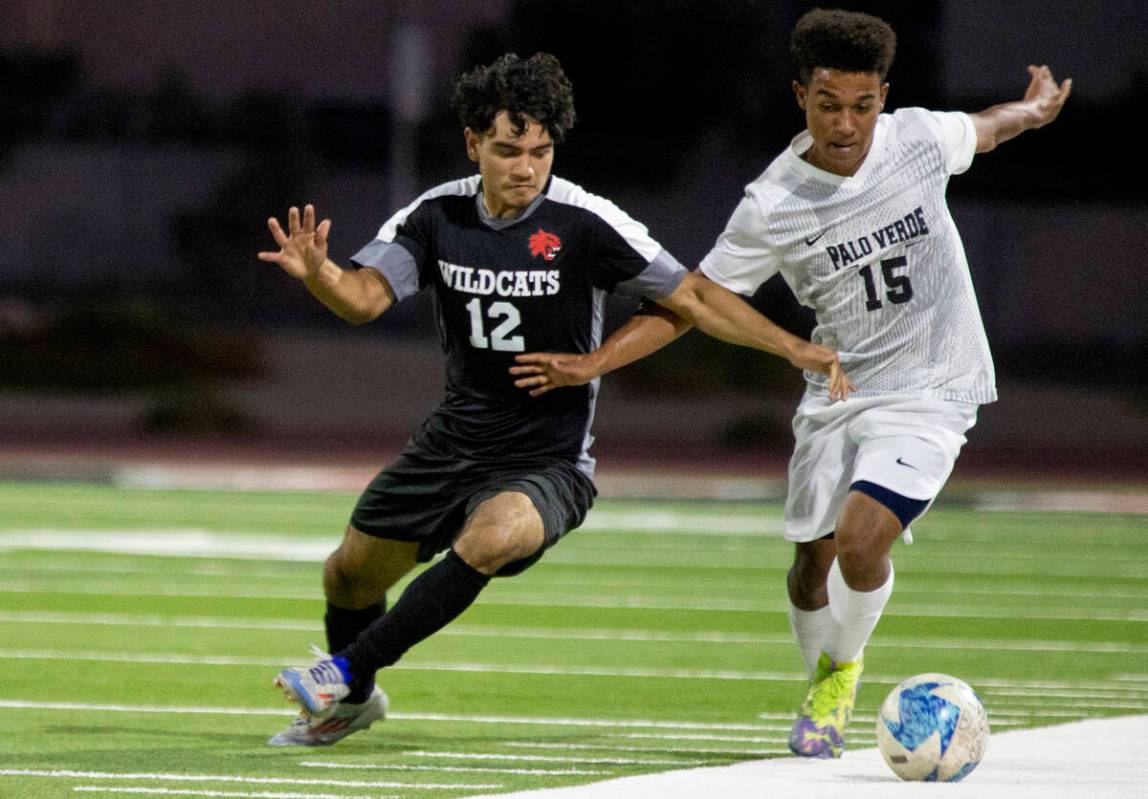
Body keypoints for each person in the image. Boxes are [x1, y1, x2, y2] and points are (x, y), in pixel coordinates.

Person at [510, 9, 1071, 759]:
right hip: (838, 392)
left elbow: (987, 127)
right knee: (812, 567)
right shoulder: (773, 201)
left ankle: (839, 679)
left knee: (864, 540)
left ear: (884, 97)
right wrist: (592, 362)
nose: (847, 124)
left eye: (864, 105)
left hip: (934, 383)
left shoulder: (917, 140)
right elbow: (697, 299)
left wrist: (1033, 110)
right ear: (801, 95)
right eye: (829, 104)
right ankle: (822, 679)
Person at [256, 51, 852, 747]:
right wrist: (319, 272)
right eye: (508, 150)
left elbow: (690, 297)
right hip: (450, 441)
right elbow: (361, 299)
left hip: (547, 460)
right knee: (349, 574)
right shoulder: (435, 216)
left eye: (540, 150)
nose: (526, 167)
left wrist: (793, 348)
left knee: (493, 535)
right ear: (474, 144)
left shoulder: (584, 221)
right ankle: (353, 699)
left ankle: (343, 672)